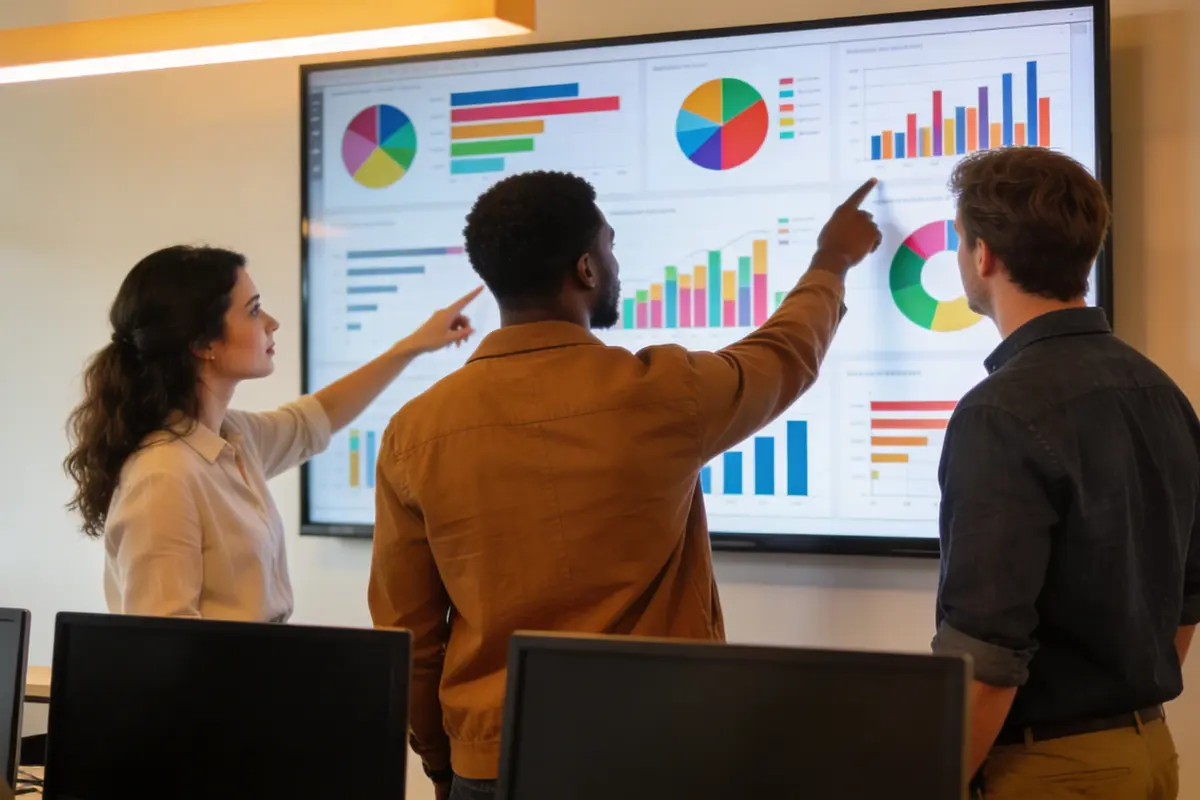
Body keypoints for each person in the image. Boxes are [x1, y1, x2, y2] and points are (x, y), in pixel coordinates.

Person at [367, 170, 882, 800]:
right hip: (654, 751)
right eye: (610, 247)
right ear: (585, 268)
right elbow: (784, 354)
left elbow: (409, 633)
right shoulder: (664, 390)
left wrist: (445, 764)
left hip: (492, 760)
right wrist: (831, 260)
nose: (615, 263)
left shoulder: (413, 432)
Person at [932, 147, 1199, 798]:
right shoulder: (1161, 391)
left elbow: (988, 660)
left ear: (983, 255)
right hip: (1149, 754)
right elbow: (1186, 603)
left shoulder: (998, 411)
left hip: (1047, 772)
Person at [64, 245, 480, 621]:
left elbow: (315, 418)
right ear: (203, 342)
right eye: (253, 310)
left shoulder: (232, 436)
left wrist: (413, 346)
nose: (272, 323)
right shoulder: (163, 476)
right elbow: (163, 646)